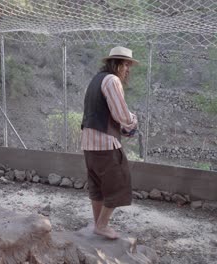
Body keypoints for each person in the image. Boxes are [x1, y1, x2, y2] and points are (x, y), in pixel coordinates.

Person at [81, 46, 139, 240]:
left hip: (89, 144)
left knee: (97, 185)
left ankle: (98, 224)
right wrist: (133, 121)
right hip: (105, 144)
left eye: (129, 65)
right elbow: (120, 113)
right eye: (125, 64)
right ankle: (103, 225)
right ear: (116, 64)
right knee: (119, 182)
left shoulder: (95, 80)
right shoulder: (112, 80)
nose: (127, 69)